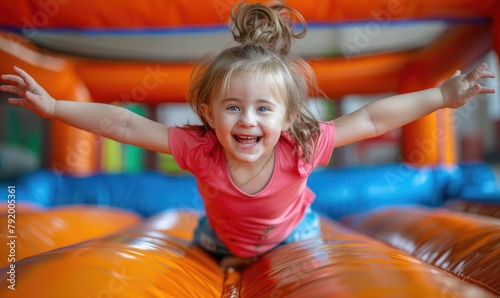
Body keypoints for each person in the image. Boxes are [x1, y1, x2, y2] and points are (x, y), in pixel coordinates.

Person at [0, 2, 496, 270]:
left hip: (293, 235)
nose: (247, 121)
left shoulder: (300, 147)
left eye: (263, 109)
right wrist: (54, 106)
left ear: (286, 118)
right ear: (209, 114)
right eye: (232, 107)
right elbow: (124, 123)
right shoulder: (198, 148)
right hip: (218, 236)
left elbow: (371, 119)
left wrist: (440, 96)